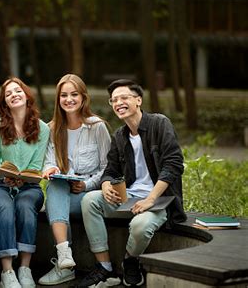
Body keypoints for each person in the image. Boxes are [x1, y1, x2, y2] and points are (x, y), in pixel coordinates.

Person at [78, 79, 186, 287]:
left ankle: (130, 260)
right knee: (90, 200)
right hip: (128, 198)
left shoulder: (159, 124)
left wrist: (150, 199)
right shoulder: (119, 136)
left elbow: (173, 165)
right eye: (114, 100)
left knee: (140, 226)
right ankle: (104, 266)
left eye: (124, 97)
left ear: (138, 100)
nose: (119, 102)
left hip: (159, 200)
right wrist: (106, 184)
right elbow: (110, 171)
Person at [37, 74, 111, 286]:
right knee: (55, 184)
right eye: (64, 95)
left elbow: (108, 168)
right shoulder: (51, 129)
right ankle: (64, 255)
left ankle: (63, 268)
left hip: (90, 197)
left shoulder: (97, 127)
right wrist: (50, 169)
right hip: (64, 194)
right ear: (58, 99)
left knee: (54, 197)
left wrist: (86, 185)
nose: (69, 99)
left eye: (74, 94)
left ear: (83, 97)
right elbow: (49, 161)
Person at [0, 77, 50, 288]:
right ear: (4, 101)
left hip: (29, 186)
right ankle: (8, 271)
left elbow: (37, 164)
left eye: (17, 91)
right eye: (8, 94)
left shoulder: (42, 128)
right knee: (5, 207)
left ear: (26, 95)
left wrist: (23, 178)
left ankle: (24, 268)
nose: (14, 95)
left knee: (24, 205)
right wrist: (3, 173)